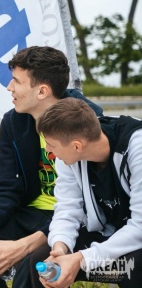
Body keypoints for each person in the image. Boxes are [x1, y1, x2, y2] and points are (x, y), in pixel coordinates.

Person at [0, 46, 103, 287]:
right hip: (31, 213)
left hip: (75, 219)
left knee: (32, 263)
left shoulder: (87, 123)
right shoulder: (13, 122)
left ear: (42, 91)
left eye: (16, 81)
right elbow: (7, 188)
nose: (9, 88)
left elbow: (90, 205)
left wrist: (24, 245)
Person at [30, 97, 142, 287]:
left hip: (137, 236)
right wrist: (60, 248)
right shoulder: (69, 156)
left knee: (132, 267)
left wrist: (82, 258)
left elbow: (140, 227)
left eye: (51, 145)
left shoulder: (136, 148)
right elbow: (67, 209)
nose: (49, 151)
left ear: (77, 146)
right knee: (43, 261)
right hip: (110, 231)